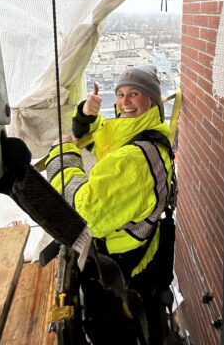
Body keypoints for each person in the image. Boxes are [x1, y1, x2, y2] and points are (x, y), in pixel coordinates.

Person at [45, 64, 175, 344]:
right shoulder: (147, 132)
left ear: (152, 100)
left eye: (134, 94)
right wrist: (86, 116)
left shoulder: (133, 159)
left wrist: (62, 155)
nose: (124, 102)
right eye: (120, 94)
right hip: (141, 250)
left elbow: (81, 214)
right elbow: (102, 137)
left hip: (121, 266)